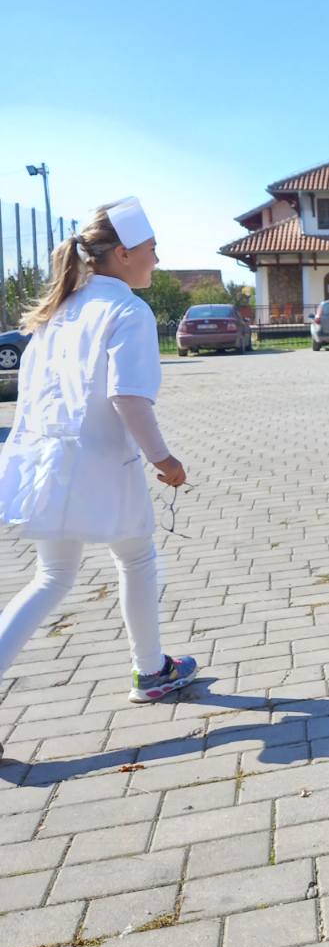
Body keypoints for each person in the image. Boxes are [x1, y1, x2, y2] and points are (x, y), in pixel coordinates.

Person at [0, 197, 197, 742]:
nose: (158, 259)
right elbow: (128, 396)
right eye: (152, 249)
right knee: (136, 557)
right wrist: (164, 459)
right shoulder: (127, 311)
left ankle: (152, 668)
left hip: (48, 464)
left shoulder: (59, 310)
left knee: (51, 577)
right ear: (124, 253)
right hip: (104, 465)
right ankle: (150, 670)